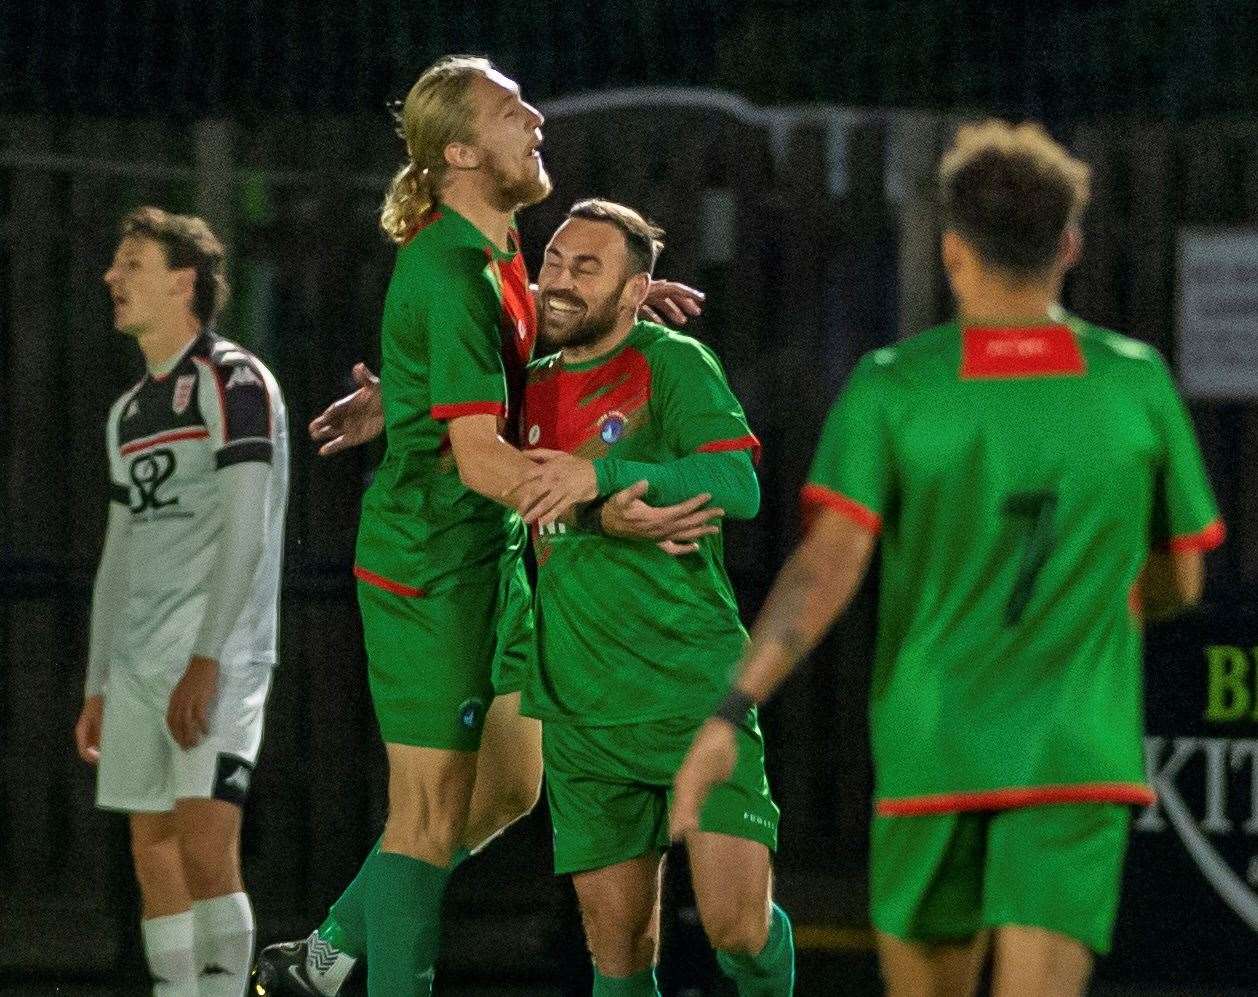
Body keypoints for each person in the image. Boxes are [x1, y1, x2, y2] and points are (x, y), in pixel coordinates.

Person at [672, 119, 1225, 997]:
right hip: (1074, 754)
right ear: (1069, 245)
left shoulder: (896, 386)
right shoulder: (1134, 381)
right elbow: (1181, 580)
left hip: (935, 745)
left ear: (956, 250)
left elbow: (825, 570)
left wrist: (731, 707)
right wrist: (1099, 604)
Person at [253, 55, 715, 997]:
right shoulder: (454, 270)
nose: (536, 116)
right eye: (511, 110)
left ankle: (325, 955)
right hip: (426, 573)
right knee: (425, 817)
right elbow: (481, 459)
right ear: (459, 149)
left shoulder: (498, 245)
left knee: (509, 789)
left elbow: (487, 358)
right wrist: (600, 500)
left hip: (489, 556)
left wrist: (610, 308)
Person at [516, 199, 795, 996]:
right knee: (618, 951)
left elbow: (736, 483)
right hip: (579, 707)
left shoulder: (670, 362)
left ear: (636, 290)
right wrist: (387, 407)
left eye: (586, 267)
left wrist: (598, 475)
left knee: (737, 931)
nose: (560, 282)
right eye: (555, 263)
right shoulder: (525, 385)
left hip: (689, 692)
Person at [74, 205, 289, 996]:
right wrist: (100, 679)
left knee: (205, 844)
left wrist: (207, 658)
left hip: (221, 652)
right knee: (151, 849)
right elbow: (118, 556)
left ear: (183, 281)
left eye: (131, 263)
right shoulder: (128, 413)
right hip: (139, 661)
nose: (112, 278)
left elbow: (248, 531)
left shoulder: (233, 381)